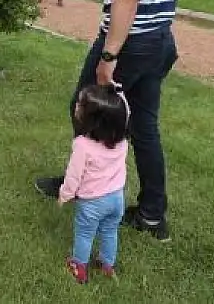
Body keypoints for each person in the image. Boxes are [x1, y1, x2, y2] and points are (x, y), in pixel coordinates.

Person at [35, 0, 181, 242]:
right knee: (144, 127)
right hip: (159, 40)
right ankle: (152, 216)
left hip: (129, 44)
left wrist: (109, 56)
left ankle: (86, 187)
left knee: (85, 110)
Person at [60, 84, 130, 284]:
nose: (76, 107)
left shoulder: (83, 145)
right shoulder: (121, 142)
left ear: (92, 121)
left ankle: (79, 267)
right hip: (116, 198)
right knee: (110, 231)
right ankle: (107, 265)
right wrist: (118, 91)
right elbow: (124, 110)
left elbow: (73, 175)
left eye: (80, 105)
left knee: (84, 233)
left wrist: (65, 194)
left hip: (92, 201)